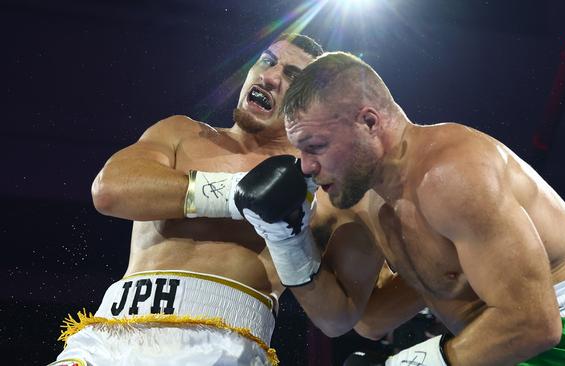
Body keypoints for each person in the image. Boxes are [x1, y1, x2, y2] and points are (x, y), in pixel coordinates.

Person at [239, 51, 565, 365]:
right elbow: (359, 320)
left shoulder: (450, 174)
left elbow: (534, 322)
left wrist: (420, 361)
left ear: (369, 122)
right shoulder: (370, 201)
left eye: (317, 147)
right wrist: (288, 243)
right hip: (503, 346)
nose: (308, 166)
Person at [48, 34, 376, 366]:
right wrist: (238, 194)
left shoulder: (322, 186)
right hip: (108, 336)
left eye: (291, 75)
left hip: (223, 347)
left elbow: (338, 320)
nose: (271, 77)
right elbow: (110, 190)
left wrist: (289, 241)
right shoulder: (180, 132)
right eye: (267, 60)